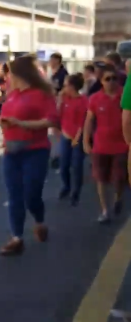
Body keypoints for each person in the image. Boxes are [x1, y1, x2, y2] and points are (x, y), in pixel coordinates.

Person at [0, 55, 58, 255]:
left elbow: (51, 121)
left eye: (10, 73)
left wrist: (20, 123)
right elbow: (8, 117)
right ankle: (17, 238)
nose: (8, 77)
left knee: (31, 195)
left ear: (19, 73)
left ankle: (39, 221)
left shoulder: (42, 94)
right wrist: (6, 130)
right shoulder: (12, 94)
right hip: (11, 152)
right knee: (15, 196)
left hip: (36, 150)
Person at [83, 64, 128, 223]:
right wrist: (85, 141)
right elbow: (89, 121)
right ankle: (105, 210)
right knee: (100, 179)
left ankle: (118, 198)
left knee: (119, 178)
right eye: (107, 79)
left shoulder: (125, 95)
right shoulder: (95, 98)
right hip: (101, 146)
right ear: (101, 81)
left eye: (114, 78)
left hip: (122, 145)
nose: (111, 82)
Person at [58, 73, 87, 206]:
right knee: (63, 166)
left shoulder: (83, 101)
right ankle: (67, 186)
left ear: (72, 86)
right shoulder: (65, 98)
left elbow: (82, 123)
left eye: (66, 84)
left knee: (76, 167)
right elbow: (58, 114)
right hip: (65, 136)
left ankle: (75, 193)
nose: (64, 87)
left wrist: (76, 139)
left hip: (77, 138)